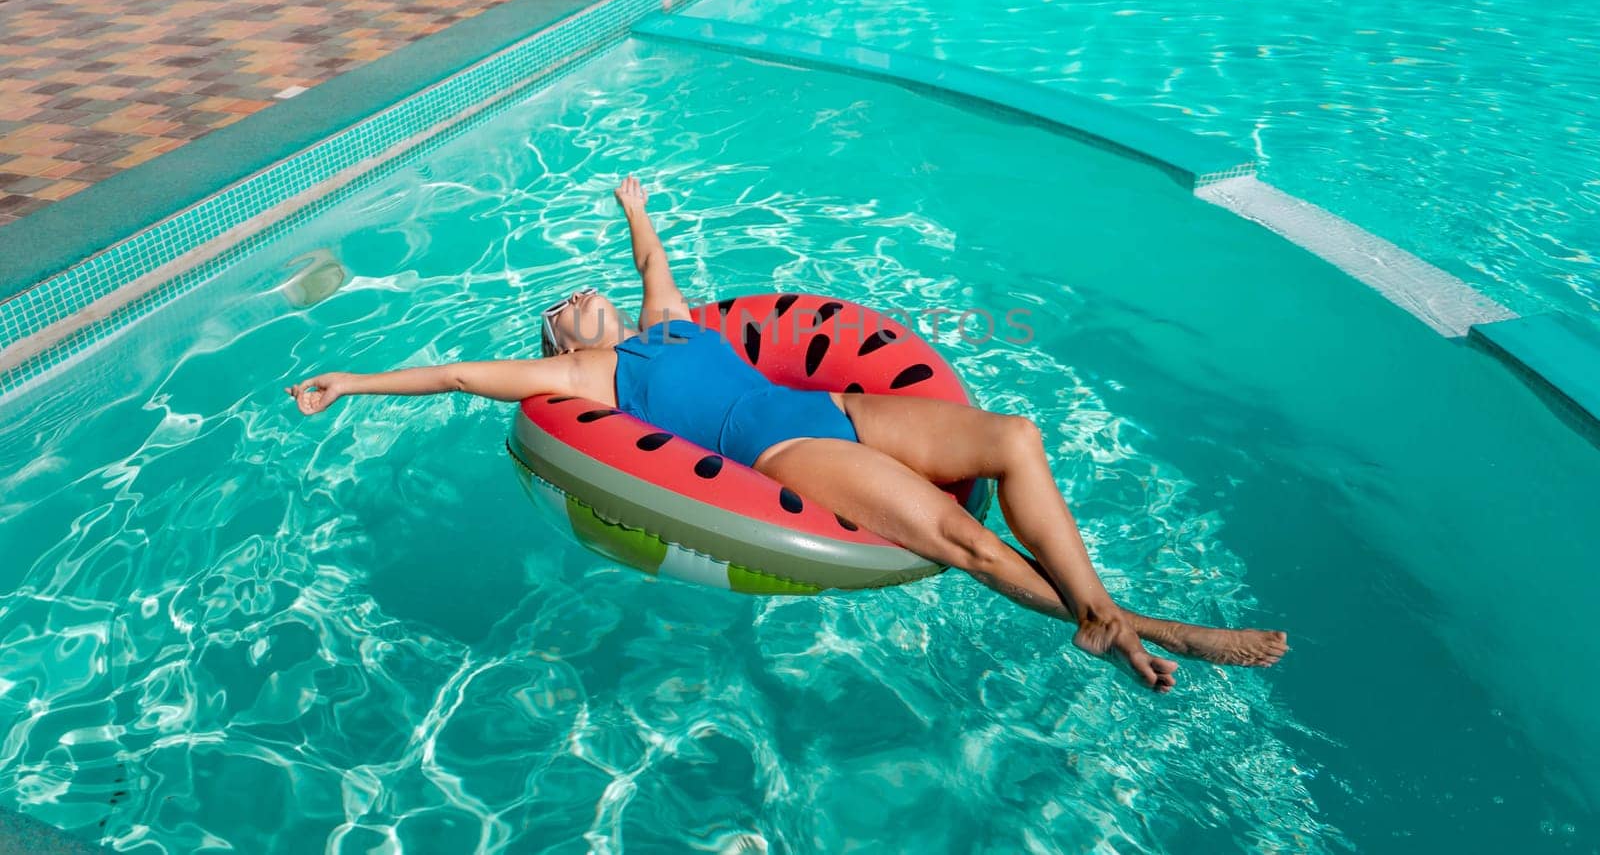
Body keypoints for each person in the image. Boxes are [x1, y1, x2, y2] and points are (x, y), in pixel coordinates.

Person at [289, 175, 1287, 692]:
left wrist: (634, 208)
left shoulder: (669, 320)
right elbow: (463, 376)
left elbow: (649, 257)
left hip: (846, 408)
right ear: (556, 336)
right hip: (787, 451)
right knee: (966, 541)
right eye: (563, 304)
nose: (580, 295)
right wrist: (353, 381)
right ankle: (1141, 632)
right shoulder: (587, 373)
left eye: (583, 290)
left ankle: (1111, 615)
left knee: (1016, 436)